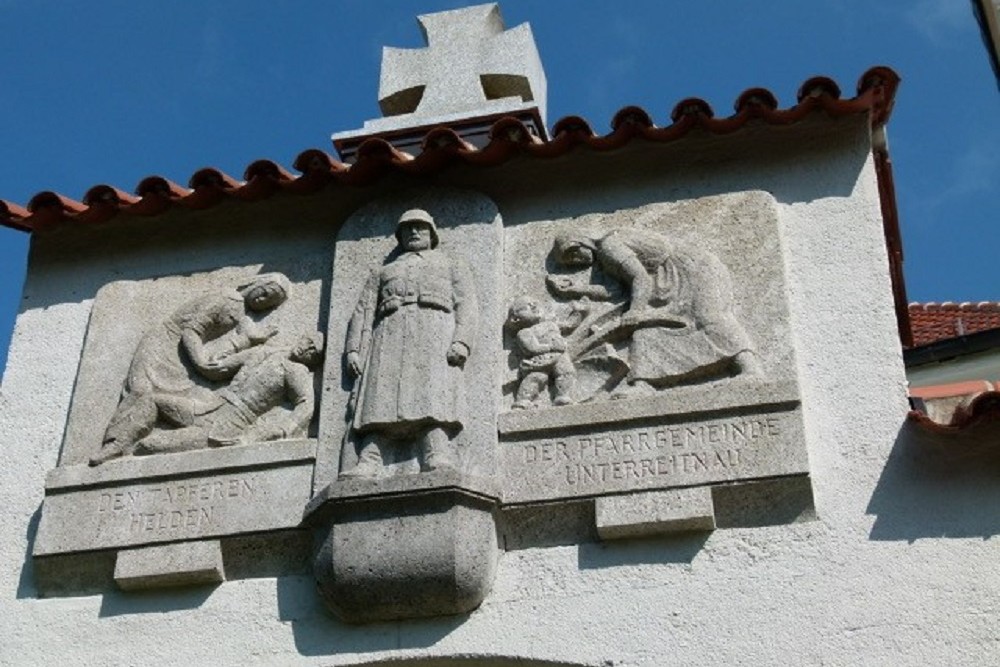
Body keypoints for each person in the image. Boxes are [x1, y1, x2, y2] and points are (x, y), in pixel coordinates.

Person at [90, 273, 291, 465]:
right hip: (164, 346)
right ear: (257, 284)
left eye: (269, 302)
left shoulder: (242, 314)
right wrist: (200, 361)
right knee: (141, 391)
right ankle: (114, 444)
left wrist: (251, 340)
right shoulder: (227, 298)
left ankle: (156, 443)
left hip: (181, 360)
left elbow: (231, 348)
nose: (263, 299)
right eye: (266, 292)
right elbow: (191, 331)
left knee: (185, 400)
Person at [342, 209, 478, 477]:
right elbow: (363, 312)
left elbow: (468, 306)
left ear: (432, 234)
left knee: (433, 395)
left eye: (420, 227)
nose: (414, 232)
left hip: (434, 335)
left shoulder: (451, 265)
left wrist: (461, 342)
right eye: (408, 229)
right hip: (389, 337)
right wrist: (353, 350)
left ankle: (435, 452)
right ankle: (370, 458)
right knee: (379, 396)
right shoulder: (383, 272)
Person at [548, 229, 758, 394]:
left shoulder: (609, 245)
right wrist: (576, 289)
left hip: (692, 270)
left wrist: (636, 311)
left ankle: (750, 369)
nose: (577, 263)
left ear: (579, 244)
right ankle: (643, 383)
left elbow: (640, 278)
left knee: (708, 317)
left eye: (572, 257)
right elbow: (618, 290)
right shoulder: (604, 258)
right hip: (665, 282)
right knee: (646, 332)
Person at [130, 332, 324, 455]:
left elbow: (306, 403)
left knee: (149, 445)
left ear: (314, 360)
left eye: (313, 350)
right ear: (302, 337)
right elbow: (216, 368)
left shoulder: (296, 371)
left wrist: (282, 430)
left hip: (228, 425)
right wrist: (240, 341)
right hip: (208, 407)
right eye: (308, 341)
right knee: (151, 401)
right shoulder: (264, 351)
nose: (306, 347)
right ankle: (111, 449)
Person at [505, 295, 576, 409]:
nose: (534, 306)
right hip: (540, 360)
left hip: (559, 357)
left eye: (534, 304)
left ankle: (562, 396)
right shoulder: (524, 333)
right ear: (516, 319)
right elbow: (532, 348)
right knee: (537, 377)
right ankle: (523, 401)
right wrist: (551, 347)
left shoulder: (551, 324)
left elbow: (569, 325)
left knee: (567, 372)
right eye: (527, 306)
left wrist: (579, 313)